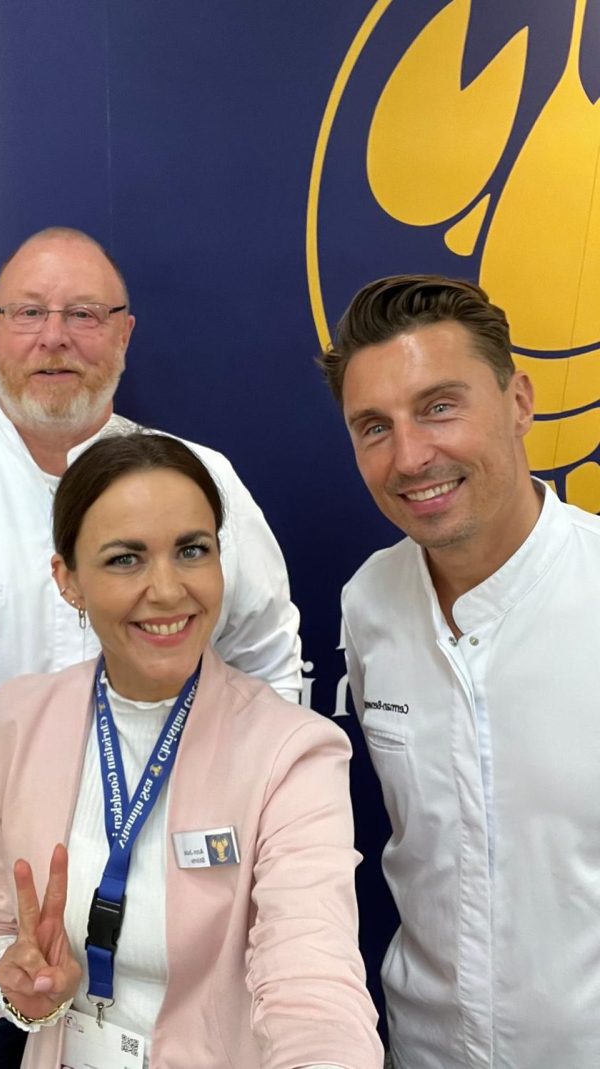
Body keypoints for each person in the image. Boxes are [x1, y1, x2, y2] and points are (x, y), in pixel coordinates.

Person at [0, 227, 302, 1068]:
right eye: (29, 313)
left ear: (124, 334)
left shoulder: (204, 481)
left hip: (170, 944)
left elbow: (267, 654)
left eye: (84, 313)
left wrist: (272, 822)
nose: (54, 336)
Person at [0, 431, 383, 1069]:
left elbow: (313, 985)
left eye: (192, 550)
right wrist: (13, 983)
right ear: (68, 579)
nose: (166, 590)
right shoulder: (19, 718)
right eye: (126, 559)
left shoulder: (292, 754)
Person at [318, 274, 600, 1069]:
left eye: (440, 406)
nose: (410, 456)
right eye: (374, 426)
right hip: (422, 1049)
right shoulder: (368, 601)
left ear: (519, 401)